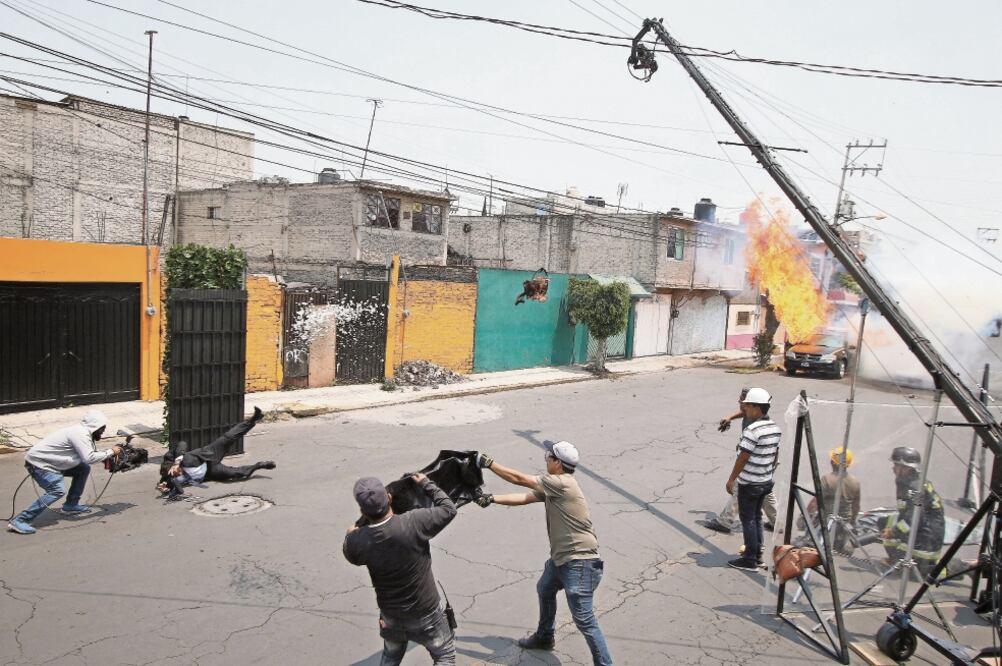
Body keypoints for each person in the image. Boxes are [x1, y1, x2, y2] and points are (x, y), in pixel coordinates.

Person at [475, 441, 613, 666]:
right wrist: (491, 499)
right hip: (563, 559)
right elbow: (525, 498)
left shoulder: (562, 483)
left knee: (585, 620)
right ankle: (544, 636)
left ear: (558, 463)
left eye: (549, 456)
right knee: (545, 588)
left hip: (580, 563)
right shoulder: (554, 487)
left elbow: (519, 478)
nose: (546, 459)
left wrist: (489, 464)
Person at [343, 474, 457, 666]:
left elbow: (351, 554)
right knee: (444, 655)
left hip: (391, 617)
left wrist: (351, 533)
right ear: (389, 497)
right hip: (427, 614)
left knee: (391, 656)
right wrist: (426, 484)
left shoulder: (357, 541)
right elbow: (449, 509)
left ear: (362, 509)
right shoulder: (413, 522)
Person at [7, 410, 122, 535]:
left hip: (52, 462)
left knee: (83, 469)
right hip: (39, 464)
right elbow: (89, 458)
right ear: (95, 426)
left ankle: (71, 505)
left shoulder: (84, 433)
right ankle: (20, 520)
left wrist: (105, 457)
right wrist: (111, 452)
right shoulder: (80, 434)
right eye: (102, 428)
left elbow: (86, 454)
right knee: (57, 490)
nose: (103, 431)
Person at [157, 407, 274, 498]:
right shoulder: (169, 478)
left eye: (177, 471)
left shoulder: (172, 459)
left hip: (207, 455)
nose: (179, 473)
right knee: (235, 473)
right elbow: (164, 486)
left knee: (228, 438)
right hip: (211, 471)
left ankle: (253, 419)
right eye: (177, 474)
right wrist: (163, 489)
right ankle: (259, 465)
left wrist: (177, 462)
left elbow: (182, 444)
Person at [705, 387, 778, 534]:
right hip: (764, 463)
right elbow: (742, 413)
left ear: (751, 405)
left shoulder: (755, 424)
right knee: (765, 492)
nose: (739, 403)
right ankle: (777, 522)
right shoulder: (754, 414)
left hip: (755, 462)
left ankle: (725, 522)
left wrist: (731, 479)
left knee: (741, 487)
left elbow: (744, 456)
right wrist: (730, 417)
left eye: (742, 401)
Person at [725, 388, 782, 571]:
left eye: (748, 406)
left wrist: (731, 479)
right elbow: (775, 454)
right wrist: (767, 471)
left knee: (748, 519)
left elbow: (743, 457)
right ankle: (757, 554)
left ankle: (749, 559)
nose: (745, 409)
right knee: (757, 517)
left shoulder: (752, 430)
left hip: (750, 483)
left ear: (757, 407)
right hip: (765, 481)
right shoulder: (775, 428)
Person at [881, 446, 945, 578]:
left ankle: (965, 567)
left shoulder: (914, 488)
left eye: (896, 465)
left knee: (926, 574)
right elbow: (906, 511)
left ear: (906, 468)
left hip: (928, 536)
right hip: (920, 529)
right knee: (883, 522)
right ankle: (897, 558)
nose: (893, 468)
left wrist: (894, 531)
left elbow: (916, 517)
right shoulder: (906, 481)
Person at [808, 447, 861, 553]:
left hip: (828, 522)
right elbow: (856, 507)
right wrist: (852, 521)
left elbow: (814, 503)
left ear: (832, 462)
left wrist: (806, 518)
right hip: (844, 523)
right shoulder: (855, 482)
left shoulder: (827, 479)